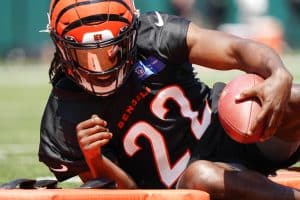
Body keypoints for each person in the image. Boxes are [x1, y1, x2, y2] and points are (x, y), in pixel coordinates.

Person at [38, 0, 300, 199]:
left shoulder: (154, 36)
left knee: (293, 95)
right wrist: (94, 159)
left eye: (113, 49)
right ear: (61, 47)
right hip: (190, 183)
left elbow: (236, 49)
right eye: (85, 54)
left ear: (132, 32)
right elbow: (127, 192)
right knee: (201, 176)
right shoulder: (63, 117)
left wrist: (278, 73)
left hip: (235, 132)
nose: (100, 66)